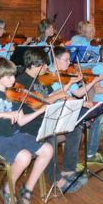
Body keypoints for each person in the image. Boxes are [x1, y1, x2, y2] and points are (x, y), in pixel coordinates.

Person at [0, 58, 53, 204]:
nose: (13, 79)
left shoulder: (14, 92)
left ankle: (27, 189)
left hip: (15, 135)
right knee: (24, 156)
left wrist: (41, 111)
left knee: (48, 149)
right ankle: (8, 190)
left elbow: (21, 121)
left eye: (14, 75)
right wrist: (3, 114)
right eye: (8, 76)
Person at [46, 47, 103, 191]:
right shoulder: (48, 75)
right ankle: (60, 175)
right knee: (82, 119)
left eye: (69, 60)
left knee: (79, 127)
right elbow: (59, 96)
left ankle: (69, 170)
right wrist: (80, 102)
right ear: (56, 60)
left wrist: (94, 80)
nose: (68, 63)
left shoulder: (65, 74)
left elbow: (78, 93)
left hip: (68, 109)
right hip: (54, 112)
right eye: (65, 60)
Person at [15, 48, 72, 191]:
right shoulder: (21, 82)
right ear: (34, 65)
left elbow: (55, 94)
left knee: (74, 128)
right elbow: (37, 105)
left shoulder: (40, 79)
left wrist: (69, 84)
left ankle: (69, 169)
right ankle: (56, 180)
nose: (47, 67)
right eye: (44, 65)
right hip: (28, 123)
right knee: (50, 136)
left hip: (43, 118)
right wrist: (56, 98)